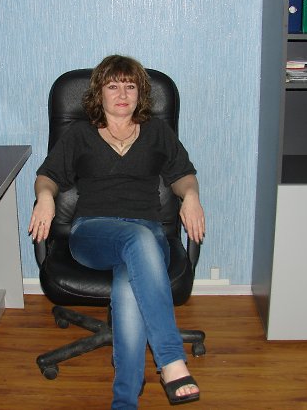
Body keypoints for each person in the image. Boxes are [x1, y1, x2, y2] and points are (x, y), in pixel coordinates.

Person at [29, 55, 205, 409]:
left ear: (141, 94)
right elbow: (47, 176)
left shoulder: (157, 132)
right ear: (99, 93)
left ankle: (124, 400)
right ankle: (171, 358)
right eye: (113, 86)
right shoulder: (79, 134)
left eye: (130, 86)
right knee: (136, 240)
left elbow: (182, 174)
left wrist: (191, 196)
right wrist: (45, 196)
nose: (122, 94)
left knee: (129, 282)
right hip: (92, 233)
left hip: (149, 233)